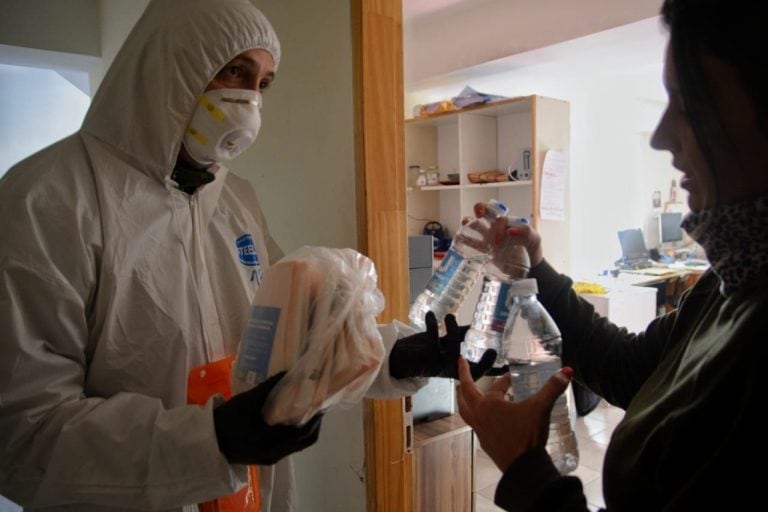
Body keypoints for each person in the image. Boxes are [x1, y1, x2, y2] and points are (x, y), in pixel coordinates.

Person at [0, 1, 497, 511]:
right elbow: (23, 431)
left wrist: (395, 354)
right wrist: (212, 441)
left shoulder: (234, 201)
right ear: (169, 67)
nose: (249, 98)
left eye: (262, 83)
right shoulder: (47, 200)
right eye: (235, 71)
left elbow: (300, 339)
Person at [456, 0, 768, 510]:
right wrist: (537, 267)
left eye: (691, 105)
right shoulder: (727, 284)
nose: (664, 136)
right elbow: (628, 367)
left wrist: (526, 469)